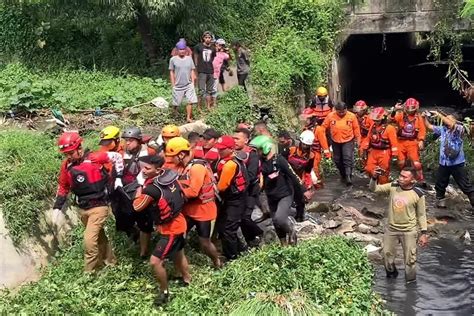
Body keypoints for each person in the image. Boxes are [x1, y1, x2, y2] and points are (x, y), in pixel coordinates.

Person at [52, 132, 123, 272]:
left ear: (79, 147)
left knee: (89, 240)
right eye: (66, 154)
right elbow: (63, 186)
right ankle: (110, 262)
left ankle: (89, 273)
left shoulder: (94, 158)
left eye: (71, 153)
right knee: (99, 236)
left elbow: (117, 156)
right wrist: (57, 207)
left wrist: (119, 176)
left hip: (100, 205)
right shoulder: (67, 166)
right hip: (83, 208)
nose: (69, 156)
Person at [132, 155, 191, 306]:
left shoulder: (152, 189)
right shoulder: (170, 175)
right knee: (178, 252)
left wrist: (139, 187)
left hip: (171, 229)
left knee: (155, 261)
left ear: (157, 170)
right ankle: (186, 279)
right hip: (180, 221)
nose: (143, 170)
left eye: (147, 168)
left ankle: (164, 292)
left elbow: (137, 207)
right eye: (143, 167)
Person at [165, 137, 222, 268]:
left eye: (172, 156)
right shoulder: (181, 167)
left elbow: (193, 192)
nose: (169, 159)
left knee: (205, 242)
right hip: (188, 210)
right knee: (177, 235)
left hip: (204, 211)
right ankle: (180, 265)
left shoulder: (196, 168)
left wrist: (173, 193)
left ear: (181, 154)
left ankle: (217, 261)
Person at [250, 135, 312, 245]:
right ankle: (283, 244)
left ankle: (291, 231)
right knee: (276, 222)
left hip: (285, 194)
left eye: (258, 150)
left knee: (280, 218)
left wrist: (304, 190)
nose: (256, 153)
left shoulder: (279, 160)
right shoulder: (260, 163)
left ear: (265, 148)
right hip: (271, 195)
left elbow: (293, 175)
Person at [370, 167, 428, 283]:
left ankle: (410, 284)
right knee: (387, 255)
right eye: (400, 175)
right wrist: (374, 177)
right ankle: (391, 279)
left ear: (413, 180)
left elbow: (421, 215)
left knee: (410, 260)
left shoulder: (418, 194)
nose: (400, 178)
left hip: (409, 231)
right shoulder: (393, 186)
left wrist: (424, 233)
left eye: (404, 177)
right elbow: (375, 189)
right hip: (391, 229)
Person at [423, 110, 474, 208]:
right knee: (440, 185)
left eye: (449, 119)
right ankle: (440, 203)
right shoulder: (443, 129)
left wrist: (438, 115)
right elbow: (429, 127)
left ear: (456, 121)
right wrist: (424, 117)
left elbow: (449, 123)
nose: (446, 121)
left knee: (466, 186)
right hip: (444, 163)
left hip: (457, 164)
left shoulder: (460, 129)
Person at [120, 127, 157, 258]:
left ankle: (143, 252)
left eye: (130, 140)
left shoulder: (150, 152)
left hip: (144, 190)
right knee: (123, 219)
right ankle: (134, 235)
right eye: (126, 140)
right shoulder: (121, 153)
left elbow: (158, 167)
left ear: (139, 141)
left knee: (144, 221)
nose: (127, 143)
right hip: (127, 190)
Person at [215, 135, 248, 260]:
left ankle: (233, 258)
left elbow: (222, 187)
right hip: (231, 199)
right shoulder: (230, 160)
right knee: (224, 227)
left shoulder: (230, 165)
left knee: (229, 229)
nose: (219, 151)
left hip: (235, 200)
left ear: (230, 149)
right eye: (218, 149)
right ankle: (240, 250)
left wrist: (212, 186)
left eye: (222, 149)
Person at [233, 128, 264, 247]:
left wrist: (235, 182)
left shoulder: (252, 155)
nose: (234, 141)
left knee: (245, 217)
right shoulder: (231, 153)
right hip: (238, 191)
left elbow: (251, 176)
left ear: (246, 140)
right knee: (238, 218)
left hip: (251, 190)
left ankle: (258, 233)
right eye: (233, 138)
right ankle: (250, 241)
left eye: (237, 139)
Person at [322, 102, 361, 186]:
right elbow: (323, 127)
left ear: (346, 109)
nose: (342, 114)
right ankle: (343, 174)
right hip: (335, 141)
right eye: (339, 112)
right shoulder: (330, 116)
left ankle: (348, 176)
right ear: (336, 110)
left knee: (347, 158)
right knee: (337, 160)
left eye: (343, 112)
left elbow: (356, 129)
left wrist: (358, 141)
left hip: (348, 140)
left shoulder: (351, 116)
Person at [390, 98, 426, 183]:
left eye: (412, 108)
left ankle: (420, 179)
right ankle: (404, 177)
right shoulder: (401, 115)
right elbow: (392, 119)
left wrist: (421, 140)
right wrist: (394, 110)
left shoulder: (418, 118)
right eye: (408, 108)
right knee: (401, 162)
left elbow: (422, 130)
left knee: (416, 163)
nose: (410, 110)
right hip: (400, 142)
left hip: (412, 142)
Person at [361, 107, 398, 184]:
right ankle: (374, 182)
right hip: (373, 151)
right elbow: (368, 137)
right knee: (369, 168)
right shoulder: (373, 126)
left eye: (377, 120)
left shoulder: (390, 128)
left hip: (384, 152)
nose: (375, 122)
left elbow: (394, 143)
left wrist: (394, 155)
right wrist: (364, 148)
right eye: (374, 120)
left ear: (383, 118)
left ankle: (383, 187)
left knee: (383, 172)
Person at [287, 131, 317, 222]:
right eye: (304, 145)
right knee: (287, 196)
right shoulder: (292, 149)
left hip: (299, 178)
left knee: (300, 199)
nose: (305, 147)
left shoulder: (311, 155)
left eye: (307, 146)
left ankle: (300, 217)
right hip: (287, 176)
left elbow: (308, 170)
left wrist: (309, 184)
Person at [170, 41, 197, 123]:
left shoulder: (189, 59)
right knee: (176, 102)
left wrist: (192, 82)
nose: (182, 51)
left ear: (185, 50)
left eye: (183, 49)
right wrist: (173, 84)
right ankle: (175, 112)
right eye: (180, 49)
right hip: (178, 85)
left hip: (188, 84)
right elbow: (171, 71)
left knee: (190, 101)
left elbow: (192, 70)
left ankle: (188, 117)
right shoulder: (173, 60)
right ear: (177, 50)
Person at [194, 31, 216, 109]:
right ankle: (199, 107)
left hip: (210, 71)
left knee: (209, 90)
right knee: (201, 90)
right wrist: (196, 68)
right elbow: (195, 57)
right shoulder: (198, 47)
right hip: (202, 71)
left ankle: (208, 106)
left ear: (211, 39)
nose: (207, 39)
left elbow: (213, 58)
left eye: (209, 38)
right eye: (206, 37)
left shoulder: (213, 48)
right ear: (203, 38)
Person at [212, 38, 230, 105]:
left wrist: (227, 51)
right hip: (208, 72)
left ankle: (214, 103)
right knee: (209, 88)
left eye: (222, 45)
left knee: (214, 88)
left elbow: (228, 58)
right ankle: (209, 102)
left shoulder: (223, 54)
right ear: (216, 44)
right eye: (220, 45)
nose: (221, 46)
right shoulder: (211, 50)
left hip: (217, 72)